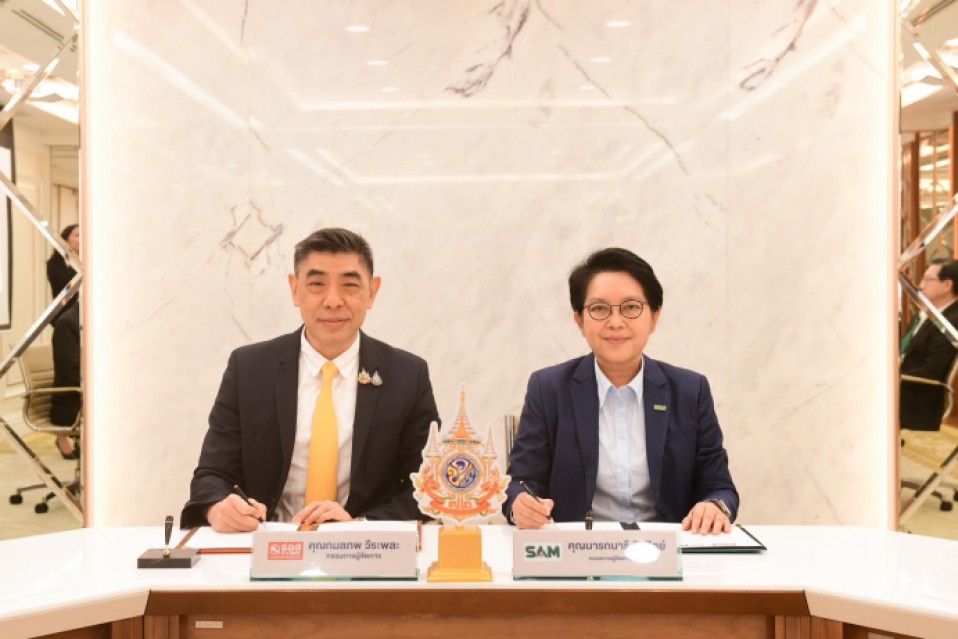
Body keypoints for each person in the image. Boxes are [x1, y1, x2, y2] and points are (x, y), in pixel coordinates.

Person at [181, 228, 440, 531]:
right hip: (267, 541)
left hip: (362, 547)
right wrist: (217, 508)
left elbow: (429, 487)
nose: (333, 301)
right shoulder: (248, 369)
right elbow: (212, 473)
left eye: (349, 285)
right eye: (317, 284)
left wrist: (358, 524)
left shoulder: (407, 375)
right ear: (295, 290)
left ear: (372, 292)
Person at [504, 248, 739, 535]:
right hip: (578, 550)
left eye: (630, 307)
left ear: (654, 318)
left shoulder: (690, 390)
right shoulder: (548, 388)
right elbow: (521, 483)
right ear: (579, 321)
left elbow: (719, 487)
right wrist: (521, 505)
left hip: (667, 549)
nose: (615, 322)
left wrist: (714, 506)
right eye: (599, 309)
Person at [900, 259, 958, 431]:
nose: (920, 285)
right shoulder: (931, 314)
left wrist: (891, 378)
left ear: (947, 285)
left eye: (927, 279)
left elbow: (933, 371)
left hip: (921, 398)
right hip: (907, 387)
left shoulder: (951, 322)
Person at [46, 224, 80, 458]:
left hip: (81, 321)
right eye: (77, 235)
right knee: (68, 372)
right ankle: (62, 433)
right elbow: (67, 289)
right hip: (65, 322)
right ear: (66, 240)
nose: (82, 239)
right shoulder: (57, 264)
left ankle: (79, 436)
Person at [49, 302, 81, 459]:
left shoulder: (89, 320)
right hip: (70, 403)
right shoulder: (68, 323)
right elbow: (71, 374)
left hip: (84, 397)